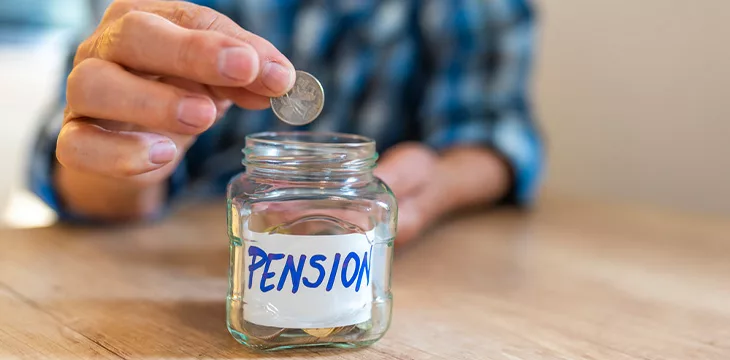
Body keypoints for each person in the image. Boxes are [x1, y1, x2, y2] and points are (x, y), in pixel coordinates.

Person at [29, 0, 544, 244]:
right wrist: (124, 147)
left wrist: (440, 183)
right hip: (168, 255)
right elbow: (77, 175)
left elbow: (497, 130)